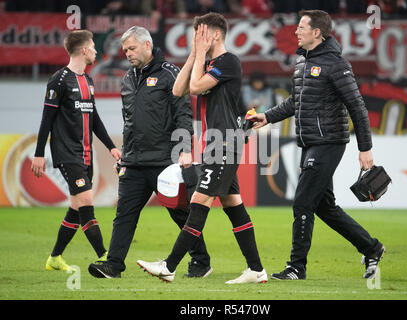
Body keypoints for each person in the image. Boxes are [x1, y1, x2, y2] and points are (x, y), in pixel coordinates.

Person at [248, 10, 385, 280]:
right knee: (323, 206)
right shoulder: (301, 62)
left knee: (302, 203)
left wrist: (365, 147)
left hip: (329, 142)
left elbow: (356, 105)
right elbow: (294, 102)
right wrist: (267, 117)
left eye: (301, 27)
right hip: (310, 143)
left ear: (316, 33)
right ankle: (371, 247)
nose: (296, 31)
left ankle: (296, 267)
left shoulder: (336, 64)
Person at [136, 13, 267, 284]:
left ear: (215, 35)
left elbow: (195, 87)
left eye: (199, 33)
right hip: (215, 145)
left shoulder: (228, 61)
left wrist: (198, 55)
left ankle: (168, 266)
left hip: (224, 144)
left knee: (198, 204)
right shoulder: (208, 63)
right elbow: (177, 90)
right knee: (233, 206)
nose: (194, 38)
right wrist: (194, 55)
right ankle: (256, 269)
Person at [88, 26, 212, 279]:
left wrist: (184, 150)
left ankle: (201, 261)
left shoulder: (171, 75)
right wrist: (125, 153)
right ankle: (113, 265)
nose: (127, 54)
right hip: (133, 161)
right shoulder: (127, 78)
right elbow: (129, 121)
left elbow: (183, 115)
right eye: (124, 50)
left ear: (147, 45)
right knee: (124, 214)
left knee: (180, 214)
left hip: (164, 160)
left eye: (131, 48)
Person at [31, 30, 122, 271]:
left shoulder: (88, 81)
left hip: (86, 155)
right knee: (86, 202)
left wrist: (111, 146)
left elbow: (94, 119)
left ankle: (54, 258)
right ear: (83, 50)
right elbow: (46, 119)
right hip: (67, 154)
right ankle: (105, 257)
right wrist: (39, 153)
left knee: (76, 206)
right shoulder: (59, 80)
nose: (95, 50)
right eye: (92, 46)